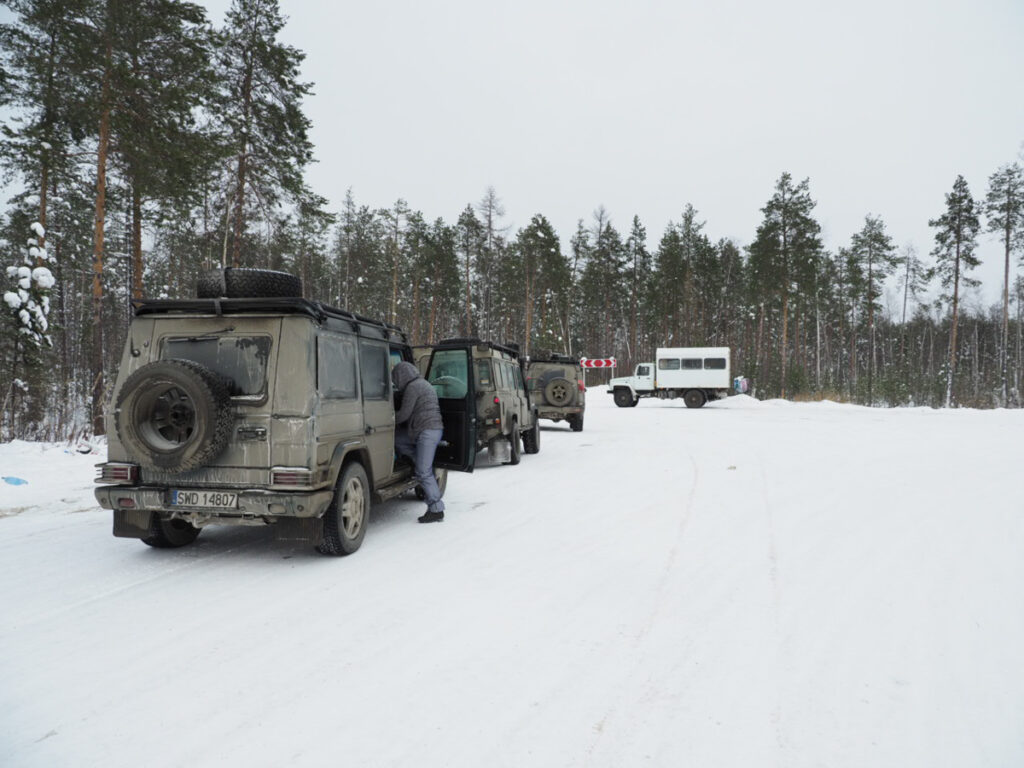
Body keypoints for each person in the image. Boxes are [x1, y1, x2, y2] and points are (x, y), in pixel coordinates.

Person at [391, 361, 446, 523]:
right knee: (397, 439)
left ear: (402, 376)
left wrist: (388, 418)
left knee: (423, 471)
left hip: (426, 432)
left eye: (396, 379)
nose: (396, 384)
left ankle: (436, 508)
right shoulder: (424, 383)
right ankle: (418, 461)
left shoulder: (413, 387)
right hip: (430, 430)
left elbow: (404, 415)